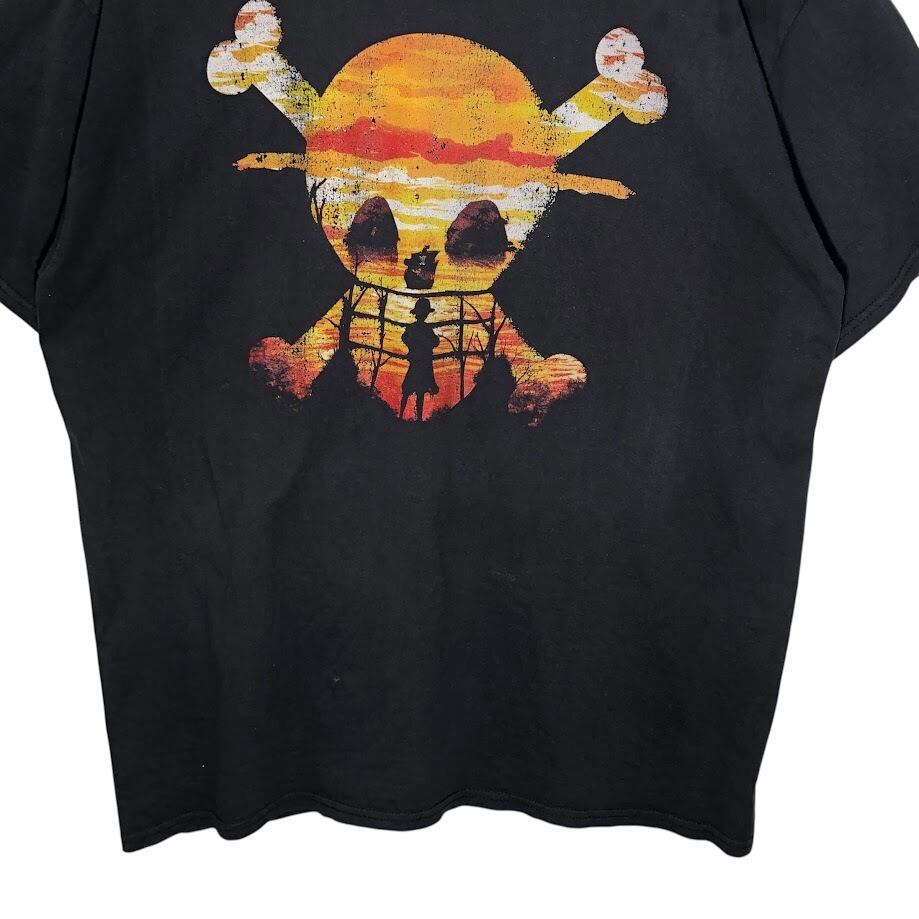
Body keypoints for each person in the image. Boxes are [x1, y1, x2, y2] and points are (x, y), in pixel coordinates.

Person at [399, 298, 440, 421]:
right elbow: (435, 341)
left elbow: (404, 338)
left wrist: (413, 346)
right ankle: (416, 418)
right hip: (422, 362)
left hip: (417, 361)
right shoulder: (425, 328)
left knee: (410, 389)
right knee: (418, 390)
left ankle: (402, 416)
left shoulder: (413, 328)